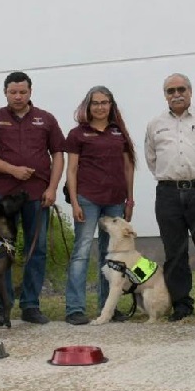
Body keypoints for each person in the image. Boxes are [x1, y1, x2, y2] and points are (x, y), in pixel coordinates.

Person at [0, 71, 65, 324]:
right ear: (5, 92)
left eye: (22, 92)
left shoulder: (46, 119)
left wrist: (53, 188)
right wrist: (12, 170)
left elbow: (59, 154)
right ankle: (2, 306)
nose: (18, 96)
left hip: (37, 194)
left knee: (37, 249)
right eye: (13, 92)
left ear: (30, 92)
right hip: (3, 193)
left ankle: (31, 305)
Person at [144, 73, 195, 325]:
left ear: (190, 91)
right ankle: (181, 304)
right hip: (168, 194)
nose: (176, 94)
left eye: (181, 89)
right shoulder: (155, 124)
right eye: (171, 91)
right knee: (174, 252)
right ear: (165, 95)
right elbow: (151, 159)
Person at [62, 86, 136, 325]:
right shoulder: (77, 134)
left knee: (111, 256)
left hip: (115, 201)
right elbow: (71, 170)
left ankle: (108, 308)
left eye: (105, 102)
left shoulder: (119, 133)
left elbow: (128, 168)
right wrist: (74, 202)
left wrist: (129, 199)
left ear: (111, 105)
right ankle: (75, 308)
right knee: (81, 252)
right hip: (87, 199)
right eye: (95, 103)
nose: (100, 107)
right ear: (88, 106)